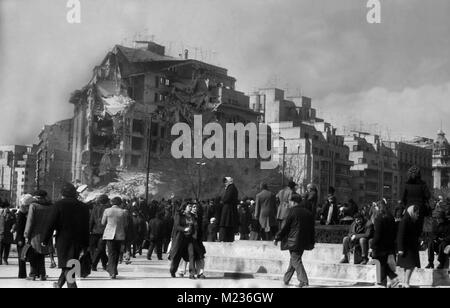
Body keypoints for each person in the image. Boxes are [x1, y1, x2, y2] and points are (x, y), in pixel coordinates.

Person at [44, 183, 90, 288]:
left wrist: (45, 239)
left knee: (67, 266)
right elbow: (86, 226)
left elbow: (51, 223)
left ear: (62, 193)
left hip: (63, 241)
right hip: (78, 241)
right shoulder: (83, 206)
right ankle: (59, 284)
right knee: (70, 264)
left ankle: (72, 286)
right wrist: (86, 243)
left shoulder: (58, 205)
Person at [274, 198, 315, 288]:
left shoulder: (291, 211)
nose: (289, 204)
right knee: (294, 259)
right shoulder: (308, 213)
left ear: (293, 202)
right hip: (304, 241)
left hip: (293, 240)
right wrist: (312, 242)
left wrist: (277, 237)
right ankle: (286, 279)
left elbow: (285, 227)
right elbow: (312, 230)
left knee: (295, 260)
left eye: (290, 202)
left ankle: (304, 281)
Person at [24, 190, 54, 281]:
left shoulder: (34, 206)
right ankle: (42, 274)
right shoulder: (51, 206)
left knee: (33, 254)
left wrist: (26, 234)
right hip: (47, 234)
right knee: (41, 255)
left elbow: (30, 221)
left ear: (37, 197)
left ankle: (32, 274)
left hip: (35, 235)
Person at [370, 200, 400, 288]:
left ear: (378, 208)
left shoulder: (379, 218)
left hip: (380, 245)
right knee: (382, 263)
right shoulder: (390, 216)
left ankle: (385, 282)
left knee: (380, 262)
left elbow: (377, 234)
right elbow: (394, 231)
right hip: (389, 244)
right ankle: (389, 280)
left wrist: (372, 246)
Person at [102, 197, 129, 279]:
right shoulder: (123, 212)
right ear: (120, 203)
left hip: (109, 234)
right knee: (117, 253)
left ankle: (112, 271)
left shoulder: (107, 210)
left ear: (112, 203)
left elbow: (103, 222)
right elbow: (125, 224)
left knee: (111, 253)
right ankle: (113, 270)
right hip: (119, 235)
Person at [169, 203, 197, 279]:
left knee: (192, 255)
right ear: (185, 207)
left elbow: (194, 226)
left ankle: (192, 273)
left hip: (190, 239)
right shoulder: (179, 215)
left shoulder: (192, 216)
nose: (191, 208)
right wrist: (184, 229)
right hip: (180, 239)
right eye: (189, 206)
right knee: (177, 256)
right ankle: (173, 270)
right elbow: (177, 226)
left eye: (191, 206)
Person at [397, 205, 421, 288]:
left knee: (409, 266)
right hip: (406, 248)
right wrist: (400, 249)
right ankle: (406, 282)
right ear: (412, 212)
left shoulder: (412, 221)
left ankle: (405, 282)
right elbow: (400, 235)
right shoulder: (405, 221)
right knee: (411, 265)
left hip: (411, 248)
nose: (418, 215)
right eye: (416, 213)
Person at [402, 166, 431, 233]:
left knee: (408, 229)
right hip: (420, 209)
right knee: (419, 230)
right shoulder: (423, 184)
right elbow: (428, 196)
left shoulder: (406, 184)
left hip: (408, 209)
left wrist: (406, 205)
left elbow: (403, 198)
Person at [15, 194, 34, 278]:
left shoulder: (27, 213)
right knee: (22, 257)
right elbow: (19, 228)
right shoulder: (21, 214)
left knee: (28, 256)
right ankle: (22, 274)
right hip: (22, 240)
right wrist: (20, 239)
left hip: (27, 238)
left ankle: (31, 273)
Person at [89, 194, 109, 271]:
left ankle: (104, 264)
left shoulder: (95, 208)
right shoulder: (107, 209)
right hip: (104, 231)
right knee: (101, 248)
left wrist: (90, 230)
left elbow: (91, 220)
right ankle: (94, 264)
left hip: (94, 231)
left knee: (100, 249)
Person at [218, 177, 239, 242]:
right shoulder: (232, 188)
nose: (225, 183)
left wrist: (222, 200)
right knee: (228, 225)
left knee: (226, 224)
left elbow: (227, 198)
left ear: (230, 181)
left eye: (226, 181)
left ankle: (224, 239)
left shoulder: (231, 188)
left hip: (228, 210)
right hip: (230, 209)